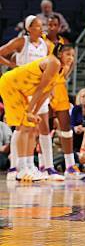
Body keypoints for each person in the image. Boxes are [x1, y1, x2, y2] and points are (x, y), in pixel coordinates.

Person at [0, 44, 75, 182]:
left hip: (22, 89)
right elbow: (40, 88)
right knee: (24, 126)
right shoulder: (54, 62)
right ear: (60, 54)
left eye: (73, 55)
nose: (71, 58)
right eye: (68, 54)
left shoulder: (62, 68)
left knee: (31, 126)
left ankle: (29, 167)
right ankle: (21, 169)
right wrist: (29, 111)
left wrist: (34, 112)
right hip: (11, 85)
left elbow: (46, 92)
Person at [0, 16, 56, 181]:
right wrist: (12, 66)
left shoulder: (46, 45)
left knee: (37, 127)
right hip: (20, 85)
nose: (41, 29)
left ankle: (33, 165)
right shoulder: (21, 42)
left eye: (42, 26)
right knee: (21, 128)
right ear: (29, 28)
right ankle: (16, 165)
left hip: (36, 87)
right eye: (38, 26)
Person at [44, 16, 85, 180]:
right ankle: (44, 165)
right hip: (46, 87)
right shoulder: (43, 43)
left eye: (55, 24)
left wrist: (69, 65)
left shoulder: (63, 43)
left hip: (60, 88)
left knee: (66, 128)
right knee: (45, 129)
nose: (52, 27)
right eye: (50, 24)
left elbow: (63, 75)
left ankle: (70, 166)